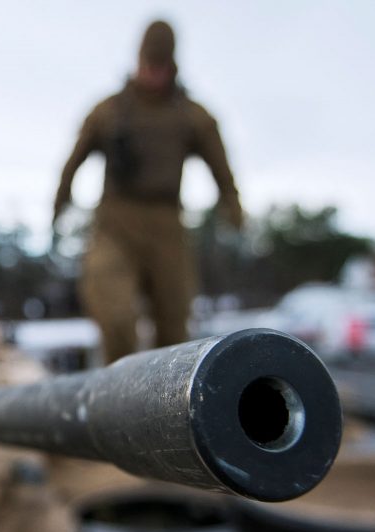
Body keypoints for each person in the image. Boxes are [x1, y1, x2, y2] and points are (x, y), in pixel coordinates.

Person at [53, 19, 244, 363]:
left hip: (167, 225)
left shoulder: (192, 117)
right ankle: (116, 401)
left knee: (173, 330)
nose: (153, 73)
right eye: (148, 64)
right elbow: (73, 162)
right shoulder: (107, 111)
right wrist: (59, 204)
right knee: (116, 317)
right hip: (116, 223)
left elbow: (222, 170)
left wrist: (235, 211)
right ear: (137, 61)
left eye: (161, 66)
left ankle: (165, 409)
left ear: (172, 66)